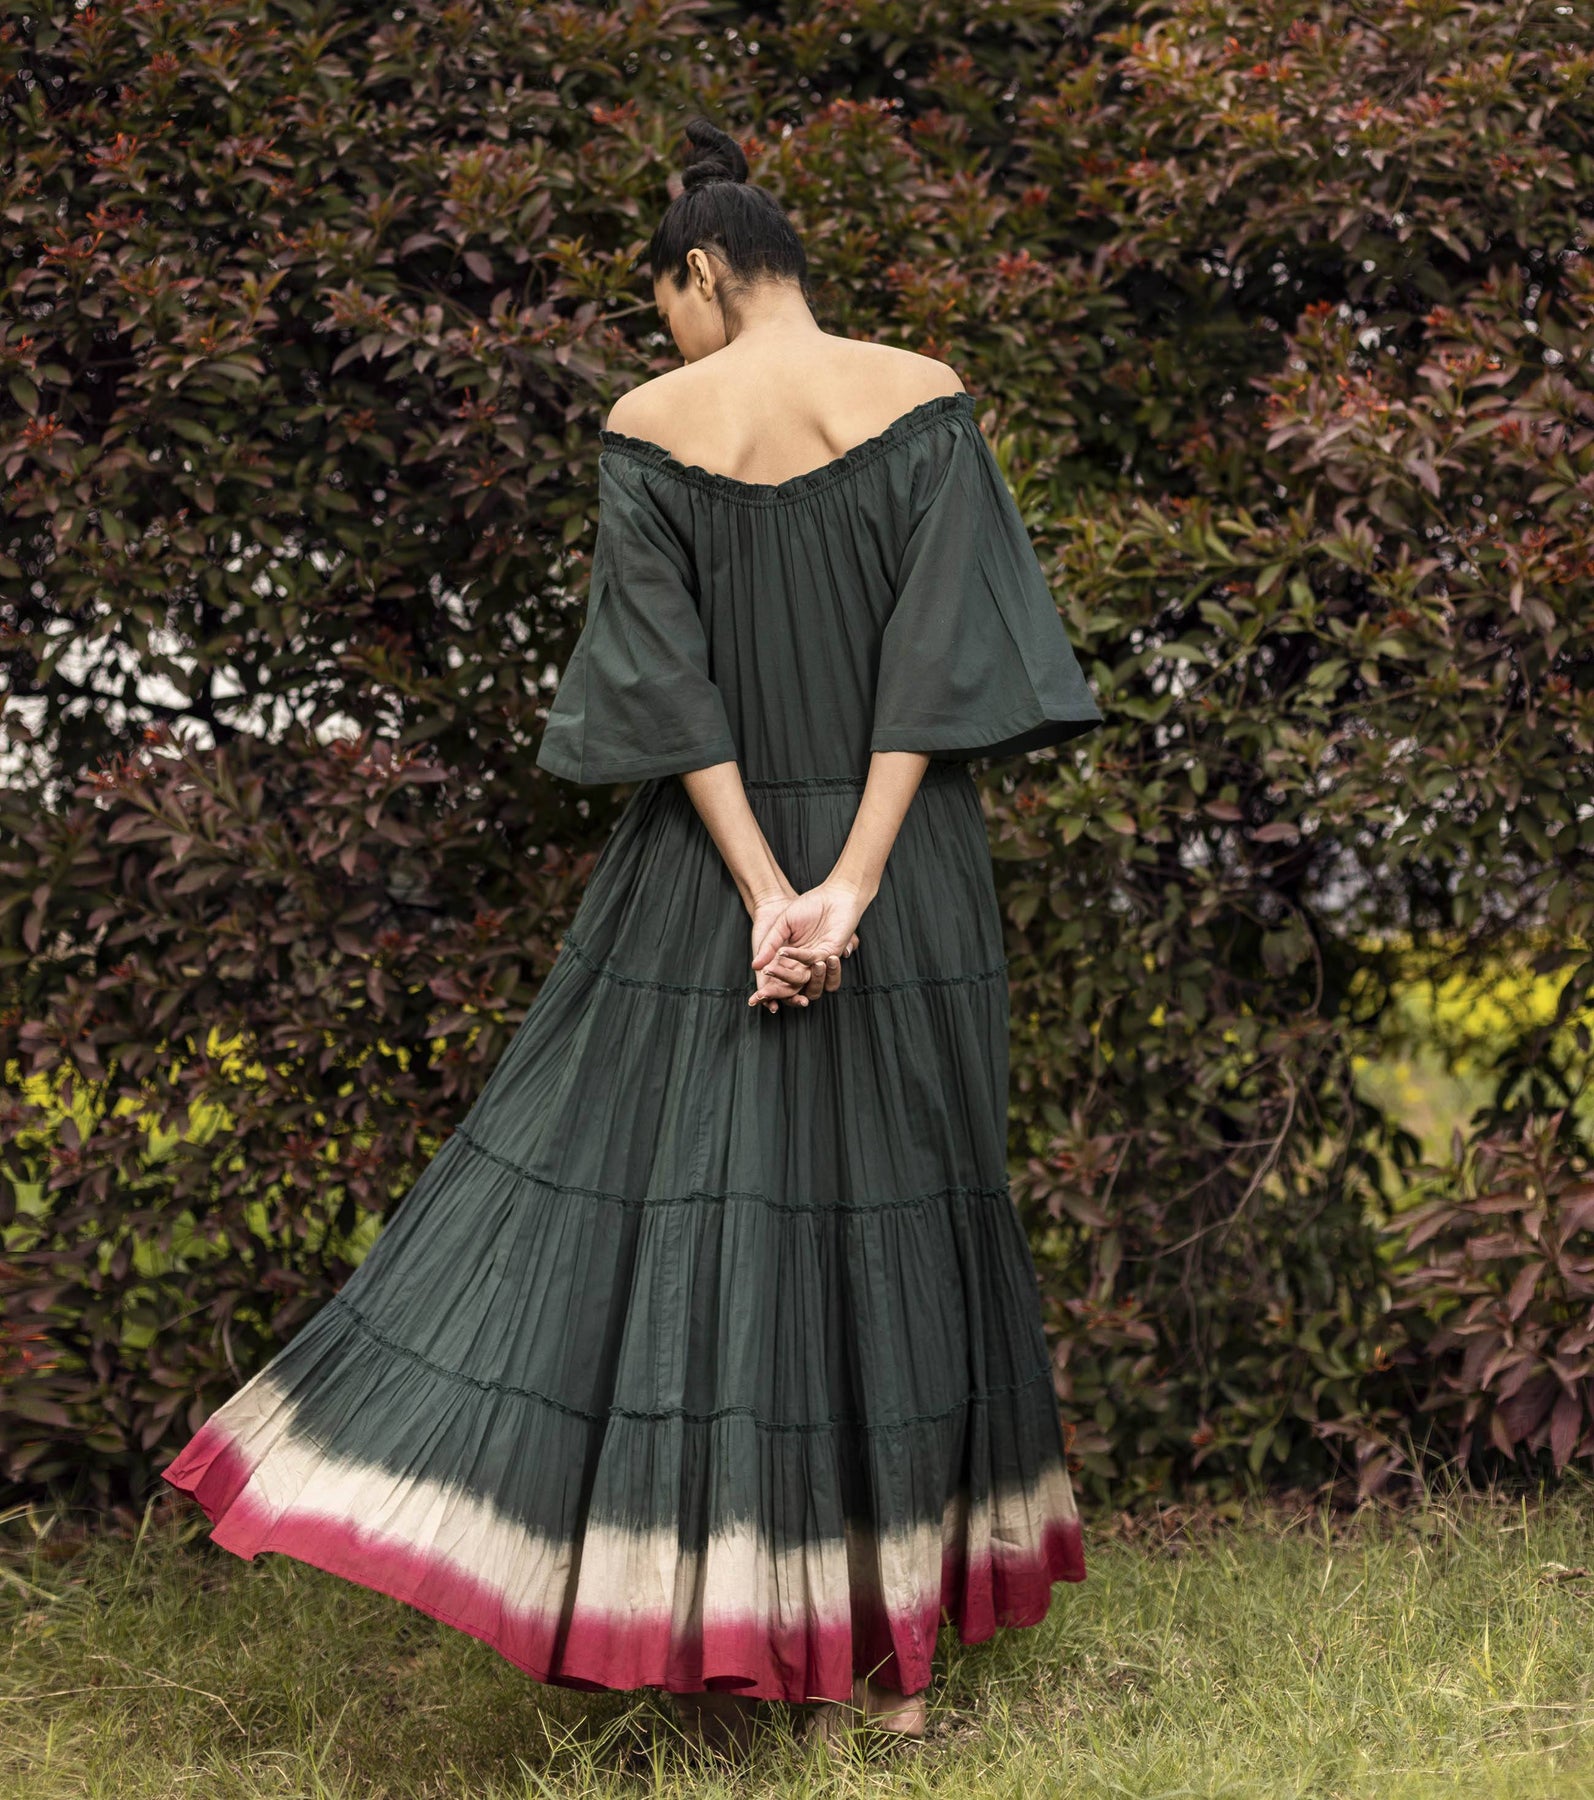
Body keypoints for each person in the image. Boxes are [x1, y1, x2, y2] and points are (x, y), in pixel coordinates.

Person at [159, 115, 1102, 1753]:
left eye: (657, 297)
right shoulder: (924, 395)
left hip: (702, 886)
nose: (657, 332)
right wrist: (847, 887)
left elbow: (662, 689)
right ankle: (890, 1683)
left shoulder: (652, 425)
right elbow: (939, 665)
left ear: (703, 270)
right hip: (906, 877)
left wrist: (763, 892)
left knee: (712, 1230)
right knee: (903, 1216)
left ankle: (757, 1633)